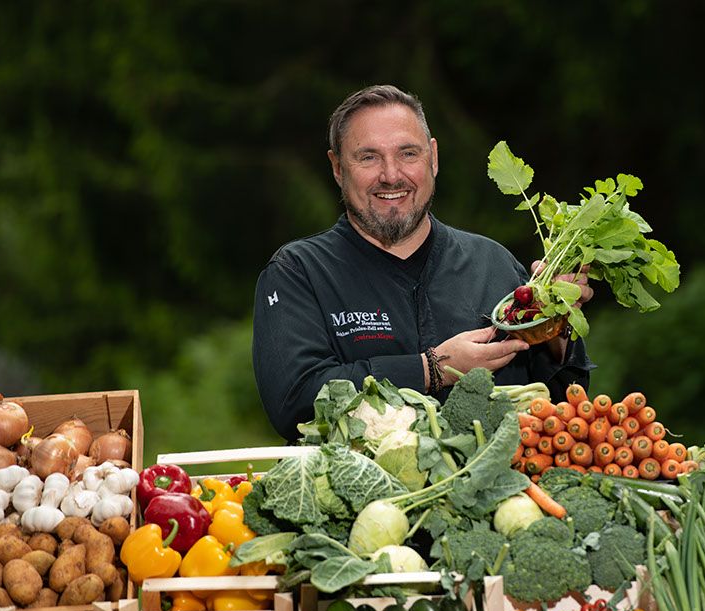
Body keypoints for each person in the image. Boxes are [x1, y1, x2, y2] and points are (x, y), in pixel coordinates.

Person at [252, 84, 594, 441]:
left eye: (408, 153)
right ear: (338, 168)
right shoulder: (298, 272)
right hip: (357, 481)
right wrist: (430, 369)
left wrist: (556, 328)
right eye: (368, 157)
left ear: (433, 157)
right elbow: (294, 402)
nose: (391, 175)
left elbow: (562, 406)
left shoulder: (493, 263)